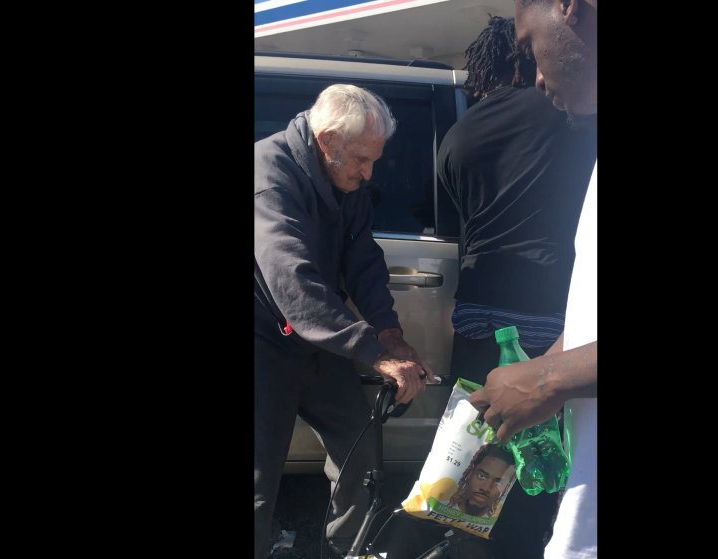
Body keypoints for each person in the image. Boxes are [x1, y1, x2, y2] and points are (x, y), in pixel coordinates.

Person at [254, 84, 436, 559]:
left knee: (361, 453)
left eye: (374, 159)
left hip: (316, 343)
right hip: (262, 342)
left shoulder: (345, 181)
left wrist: (389, 334)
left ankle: (344, 552)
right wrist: (374, 353)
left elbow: (363, 259)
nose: (368, 172)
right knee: (257, 481)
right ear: (327, 141)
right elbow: (293, 281)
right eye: (361, 159)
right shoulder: (269, 174)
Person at [438, 15, 597, 559]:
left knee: (471, 462)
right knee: (535, 472)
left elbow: (455, 227)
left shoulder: (460, 134)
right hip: (552, 317)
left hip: (479, 313)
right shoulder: (571, 116)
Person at [446, 444, 516, 518]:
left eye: (499, 482)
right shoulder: (441, 503)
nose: (485, 488)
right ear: (469, 473)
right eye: (481, 476)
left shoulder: (502, 520)